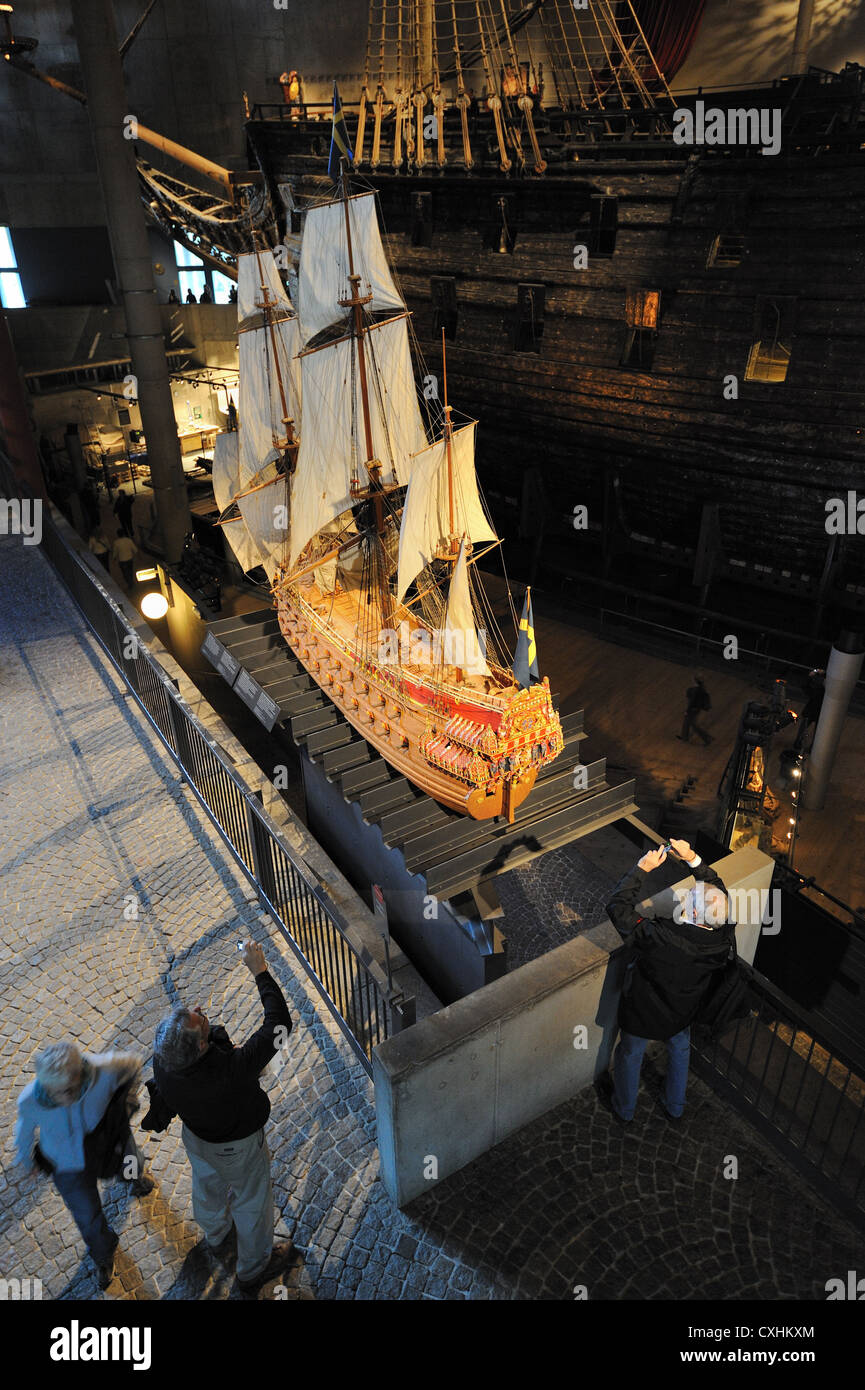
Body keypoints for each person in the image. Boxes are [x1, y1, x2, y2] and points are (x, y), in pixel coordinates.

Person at [148, 940, 295, 1296]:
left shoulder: (164, 1062)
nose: (200, 1008)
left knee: (208, 1186)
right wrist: (259, 970)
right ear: (201, 1047)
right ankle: (253, 1269)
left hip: (198, 1140)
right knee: (253, 1201)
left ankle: (216, 1236)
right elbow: (279, 1024)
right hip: (238, 1149)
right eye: (202, 1022)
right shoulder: (232, 1069)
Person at [599, 839, 735, 1123]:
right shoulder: (722, 933)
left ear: (694, 912)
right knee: (680, 1049)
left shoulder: (663, 938)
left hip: (644, 1009)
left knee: (630, 1053)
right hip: (684, 1009)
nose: (688, 895)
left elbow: (618, 907)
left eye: (691, 897)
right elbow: (716, 888)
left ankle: (624, 1109)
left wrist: (642, 869)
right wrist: (691, 857)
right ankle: (675, 1105)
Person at [14, 1042, 152, 1289]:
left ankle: (134, 1180)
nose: (67, 1098)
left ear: (80, 1073)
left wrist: (125, 1106)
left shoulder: (105, 1068)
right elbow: (23, 1134)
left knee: (131, 1163)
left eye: (71, 1088)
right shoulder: (30, 1100)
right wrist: (28, 1161)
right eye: (59, 1092)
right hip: (67, 1164)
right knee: (87, 1216)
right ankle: (103, 1253)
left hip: (109, 1141)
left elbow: (133, 1064)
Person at [793, 668, 825, 752]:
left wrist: (813, 673)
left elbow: (804, 686)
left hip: (810, 711)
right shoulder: (826, 691)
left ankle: (797, 744)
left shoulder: (815, 690)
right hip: (822, 713)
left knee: (803, 729)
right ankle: (812, 748)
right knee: (817, 733)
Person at [678, 674, 712, 745]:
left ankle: (707, 738)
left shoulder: (694, 690)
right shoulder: (702, 690)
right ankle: (684, 737)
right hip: (697, 709)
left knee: (693, 725)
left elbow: (691, 702)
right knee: (687, 723)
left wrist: (687, 710)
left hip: (692, 709)